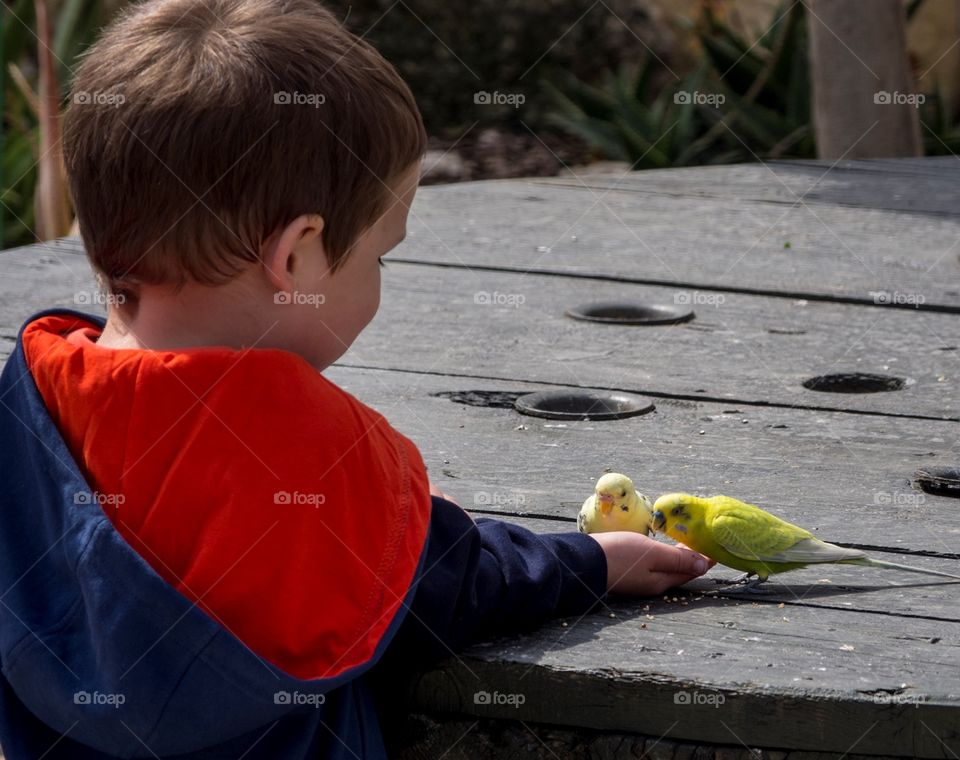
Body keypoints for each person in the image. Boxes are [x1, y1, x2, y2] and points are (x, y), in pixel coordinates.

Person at [0, 1, 712, 757]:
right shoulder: (304, 446)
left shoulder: (28, 405)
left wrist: (393, 521)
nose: (380, 276)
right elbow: (451, 585)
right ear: (296, 254)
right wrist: (592, 562)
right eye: (381, 255)